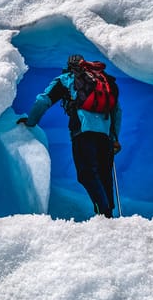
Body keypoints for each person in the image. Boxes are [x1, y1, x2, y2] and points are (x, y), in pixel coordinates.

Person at [17, 54, 122, 218]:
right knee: (104, 174)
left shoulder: (66, 79)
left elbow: (43, 100)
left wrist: (30, 122)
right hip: (105, 137)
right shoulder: (103, 81)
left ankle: (104, 214)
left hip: (82, 132)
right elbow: (116, 111)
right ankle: (109, 215)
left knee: (87, 174)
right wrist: (114, 138)